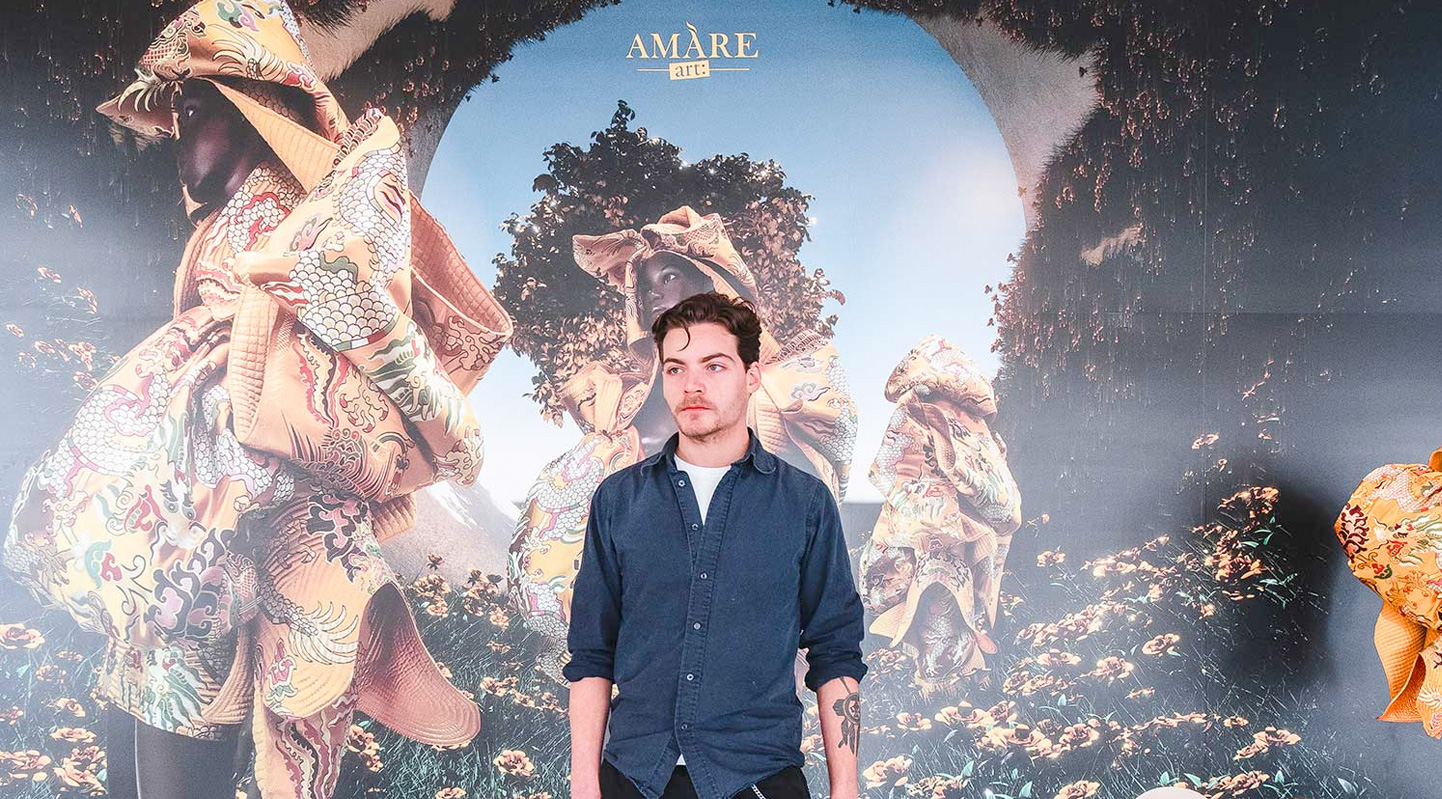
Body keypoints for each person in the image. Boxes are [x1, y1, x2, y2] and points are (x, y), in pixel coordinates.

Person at [1, 2, 513, 797]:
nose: (181, 138)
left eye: (195, 111)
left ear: (253, 110)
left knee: (176, 754)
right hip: (172, 555)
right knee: (132, 757)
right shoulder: (227, 227)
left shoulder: (301, 227)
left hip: (218, 557)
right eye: (177, 118)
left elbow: (321, 397)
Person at [508, 206, 858, 681]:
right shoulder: (621, 400)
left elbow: (803, 505)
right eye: (646, 285)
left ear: (710, 281)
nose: (655, 292)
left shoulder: (781, 389)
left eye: (670, 277)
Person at [564, 291, 866, 799]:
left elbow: (835, 651)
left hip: (759, 779)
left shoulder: (805, 503)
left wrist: (846, 789)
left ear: (752, 377)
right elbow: (592, 653)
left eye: (715, 366)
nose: (692, 385)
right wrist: (584, 784)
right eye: (675, 369)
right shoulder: (618, 500)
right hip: (634, 778)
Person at [856, 335, 1021, 694]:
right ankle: (962, 682)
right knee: (955, 603)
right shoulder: (978, 423)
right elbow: (998, 489)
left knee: (935, 602)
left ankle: (940, 690)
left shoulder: (918, 406)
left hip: (932, 527)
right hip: (967, 530)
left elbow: (894, 467)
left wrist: (917, 511)